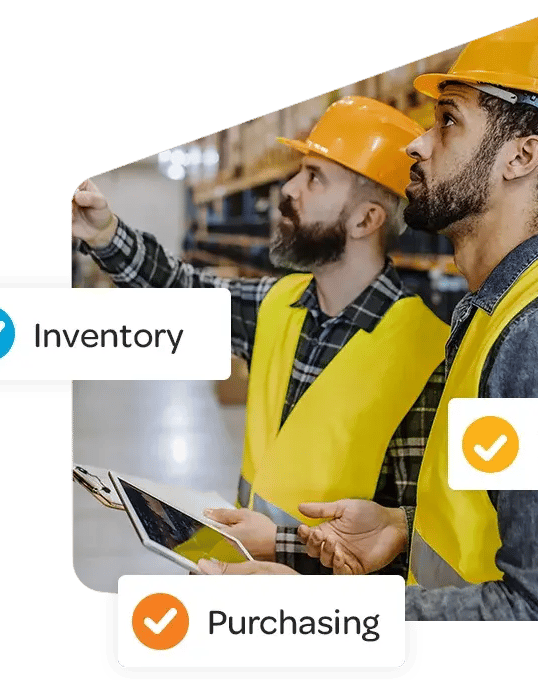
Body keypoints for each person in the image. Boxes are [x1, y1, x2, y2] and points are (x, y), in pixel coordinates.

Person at [201, 17, 538, 622]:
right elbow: (489, 532)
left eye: (449, 121)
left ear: (522, 155)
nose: (416, 143)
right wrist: (399, 525)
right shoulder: (491, 314)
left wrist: (315, 612)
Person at [71, 97, 448, 575]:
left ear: (366, 220)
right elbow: (177, 288)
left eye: (315, 177)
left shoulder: (427, 356)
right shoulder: (277, 303)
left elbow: (411, 542)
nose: (289, 189)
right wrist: (104, 234)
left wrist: (277, 545)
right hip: (245, 582)